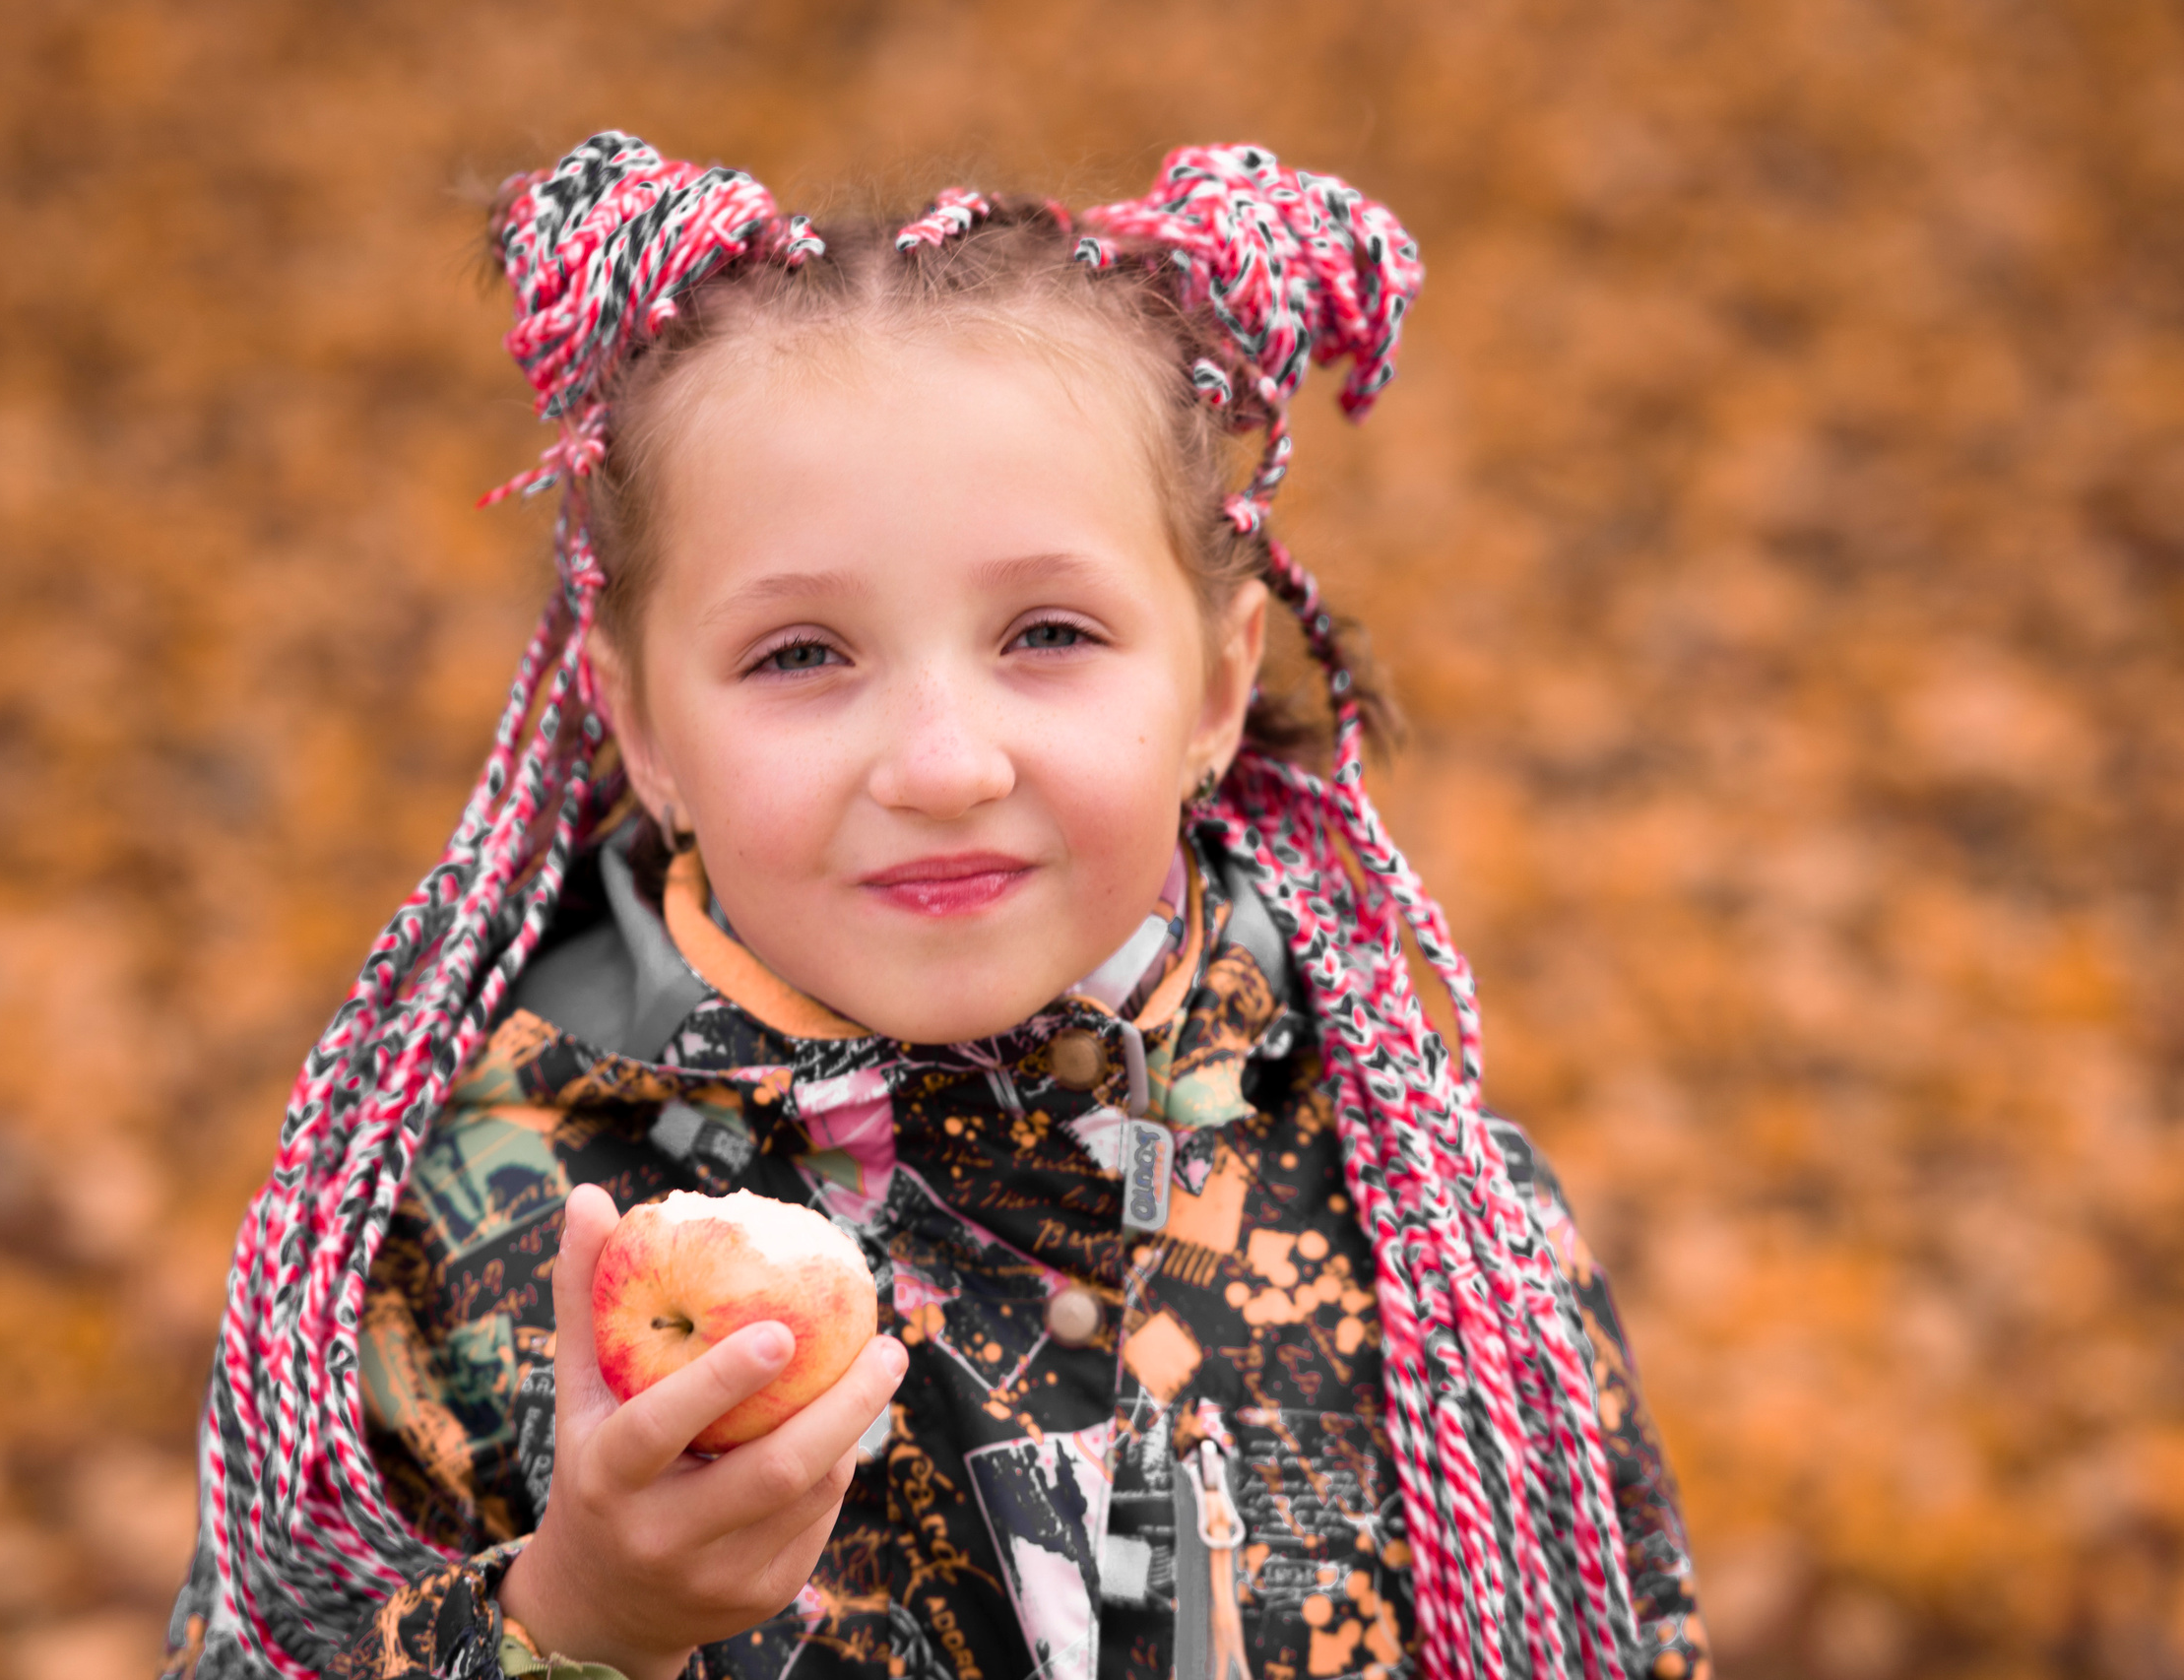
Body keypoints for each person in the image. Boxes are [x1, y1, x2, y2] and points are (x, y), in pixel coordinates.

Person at [160, 132, 1709, 1680]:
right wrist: (580, 1623)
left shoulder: (1432, 1223)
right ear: (637, 727)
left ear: (1218, 688)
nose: (944, 762)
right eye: (802, 656)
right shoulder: (454, 1247)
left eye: (1046, 631)